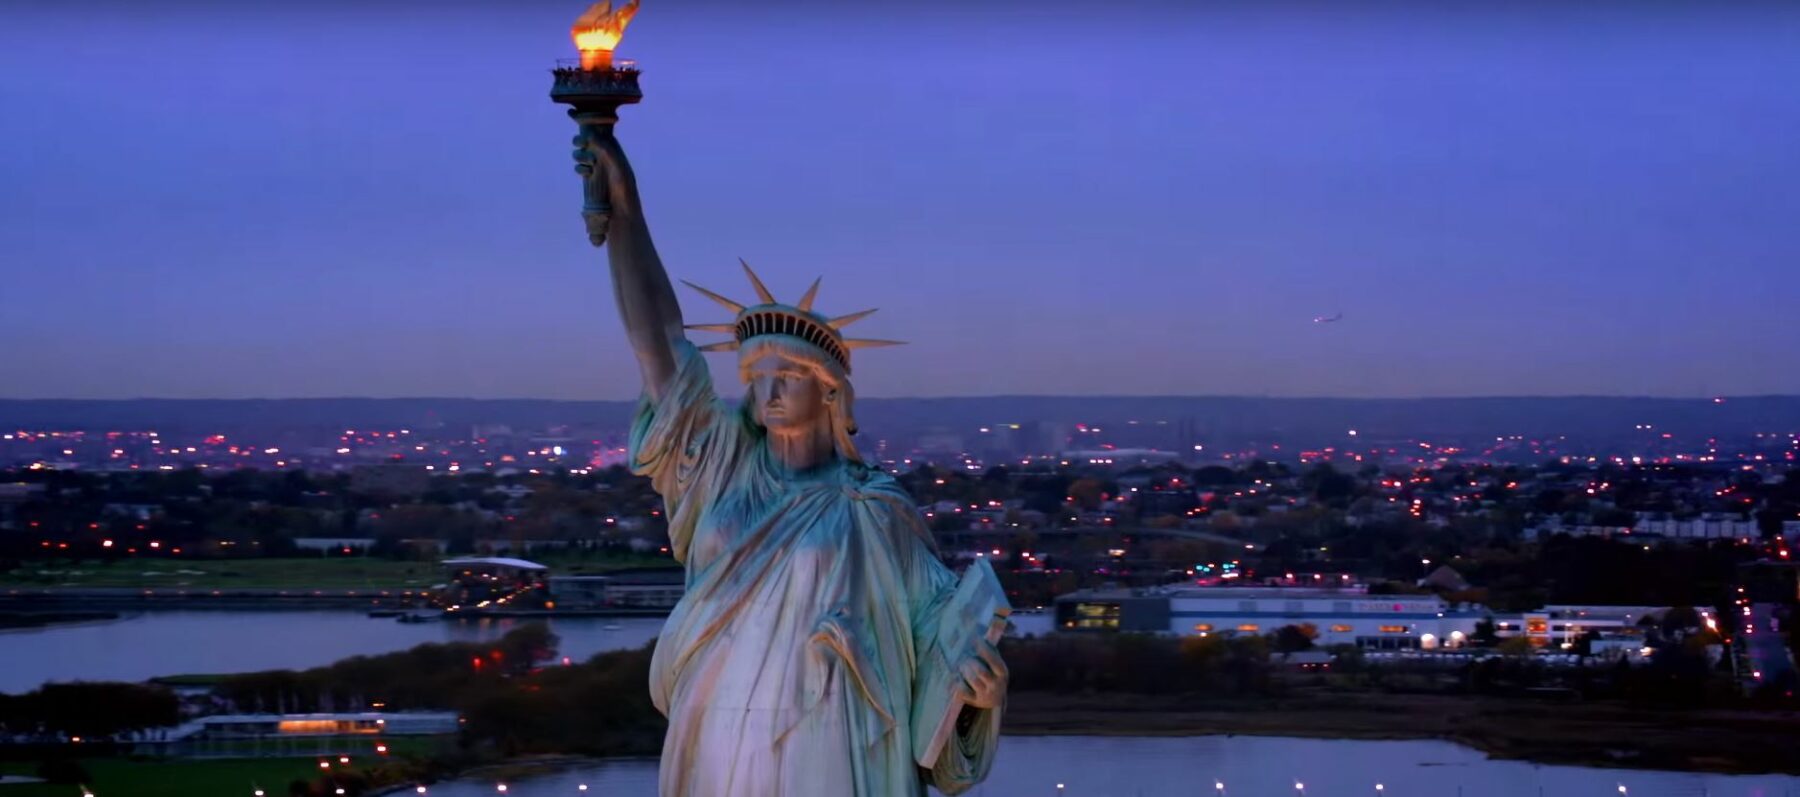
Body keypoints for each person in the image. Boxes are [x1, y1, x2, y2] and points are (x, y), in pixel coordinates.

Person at [574, 132, 1007, 797]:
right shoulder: (717, 463)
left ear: (830, 390)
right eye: (755, 376)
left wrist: (980, 690)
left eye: (787, 376)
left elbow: (936, 641)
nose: (767, 391)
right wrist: (627, 212)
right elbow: (659, 347)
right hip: (717, 723)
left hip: (829, 732)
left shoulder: (874, 507)